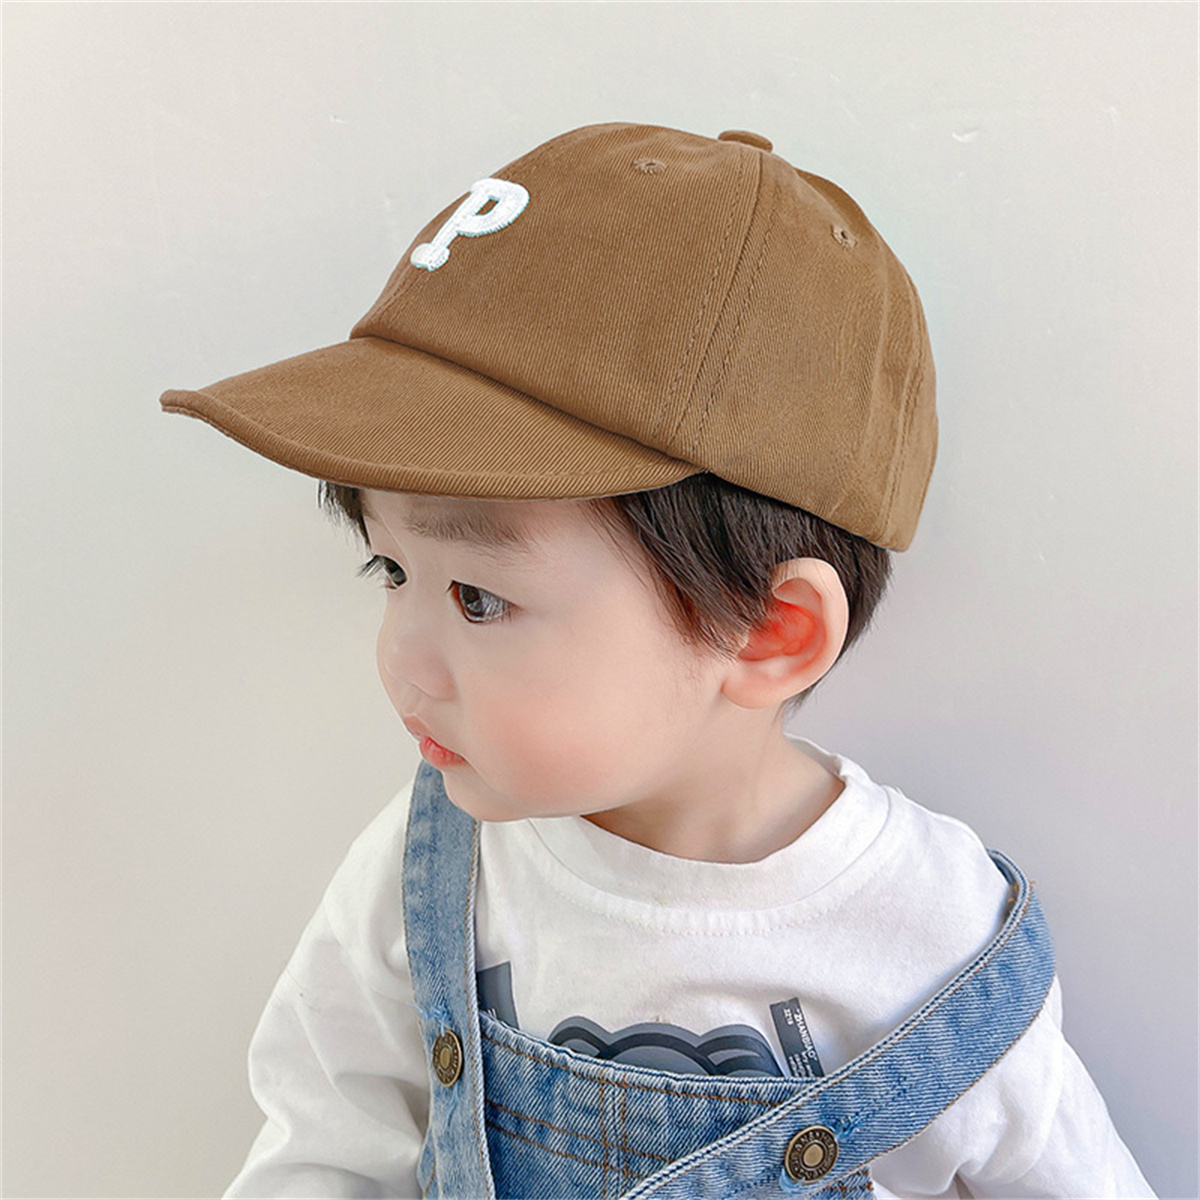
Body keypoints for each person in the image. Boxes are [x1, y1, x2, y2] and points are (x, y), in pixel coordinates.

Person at [160, 122, 1153, 1199]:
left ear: (768, 631)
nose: (403, 658)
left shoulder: (931, 933)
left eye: (479, 597)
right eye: (389, 569)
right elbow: (328, 1147)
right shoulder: (434, 871)